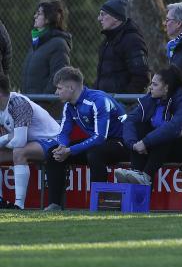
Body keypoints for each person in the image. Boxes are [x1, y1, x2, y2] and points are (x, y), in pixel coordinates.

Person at [43, 67, 129, 211]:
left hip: (121, 143)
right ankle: (55, 204)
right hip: (99, 143)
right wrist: (62, 147)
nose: (56, 92)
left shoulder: (98, 100)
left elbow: (100, 138)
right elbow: (63, 133)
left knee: (95, 154)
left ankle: (99, 204)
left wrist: (70, 150)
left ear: (71, 87)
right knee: (53, 153)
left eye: (59, 88)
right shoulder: (68, 106)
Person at [117, 66, 182, 188]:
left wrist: (145, 142)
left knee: (166, 133)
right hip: (165, 147)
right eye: (151, 84)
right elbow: (131, 120)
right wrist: (133, 144)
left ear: (166, 88)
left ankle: (146, 177)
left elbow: (175, 128)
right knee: (140, 128)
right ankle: (137, 174)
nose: (150, 87)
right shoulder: (151, 99)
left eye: (155, 84)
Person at [0, 74, 60, 209]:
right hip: (31, 142)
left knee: (19, 152)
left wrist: (7, 138)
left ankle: (19, 205)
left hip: (52, 140)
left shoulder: (18, 104)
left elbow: (19, 142)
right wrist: (9, 137)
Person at [95, 0, 151, 94]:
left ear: (116, 17)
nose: (99, 18)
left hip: (120, 102)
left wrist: (123, 100)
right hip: (105, 101)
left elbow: (142, 78)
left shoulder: (132, 41)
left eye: (103, 14)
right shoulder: (107, 41)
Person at [21, 0, 72, 95]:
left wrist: (44, 98)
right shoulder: (36, 44)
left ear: (48, 19)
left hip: (42, 102)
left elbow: (59, 76)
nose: (35, 16)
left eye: (39, 14)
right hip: (31, 101)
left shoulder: (58, 44)